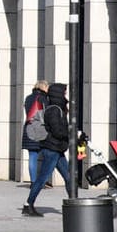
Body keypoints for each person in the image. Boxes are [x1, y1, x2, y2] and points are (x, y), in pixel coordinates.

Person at [23, 83, 74, 217]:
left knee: (69, 178)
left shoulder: (57, 109)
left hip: (57, 149)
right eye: (64, 93)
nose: (66, 96)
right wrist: (71, 134)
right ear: (58, 94)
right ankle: (28, 204)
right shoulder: (54, 110)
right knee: (42, 178)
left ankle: (73, 204)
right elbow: (57, 131)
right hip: (52, 149)